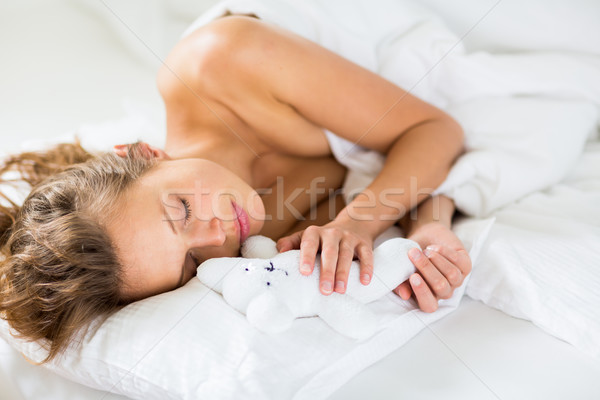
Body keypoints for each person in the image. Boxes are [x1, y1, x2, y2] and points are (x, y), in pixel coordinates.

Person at [0, 13, 470, 363]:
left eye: (182, 210)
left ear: (144, 154)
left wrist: (357, 224)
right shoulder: (248, 238)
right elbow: (393, 177)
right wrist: (430, 230)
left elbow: (435, 129)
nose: (215, 235)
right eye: (189, 264)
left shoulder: (219, 59)